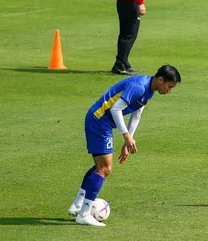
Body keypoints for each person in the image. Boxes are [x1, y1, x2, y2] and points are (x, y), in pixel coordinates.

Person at [68, 64, 181, 226]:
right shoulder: (139, 86)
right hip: (99, 121)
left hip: (102, 122)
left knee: (100, 166)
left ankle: (78, 205)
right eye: (169, 87)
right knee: (105, 168)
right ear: (160, 80)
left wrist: (128, 142)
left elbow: (137, 115)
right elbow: (116, 109)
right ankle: (84, 214)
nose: (169, 91)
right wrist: (126, 136)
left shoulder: (149, 89)